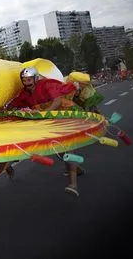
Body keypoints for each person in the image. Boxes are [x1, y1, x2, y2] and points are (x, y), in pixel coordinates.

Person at [5, 67, 83, 196]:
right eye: (24, 80)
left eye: (29, 79)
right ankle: (76, 169)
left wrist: (43, 113)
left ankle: (73, 185)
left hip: (63, 115)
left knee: (68, 146)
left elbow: (57, 102)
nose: (27, 82)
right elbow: (14, 104)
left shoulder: (46, 85)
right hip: (47, 119)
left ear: (35, 78)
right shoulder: (24, 92)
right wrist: (4, 109)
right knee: (59, 147)